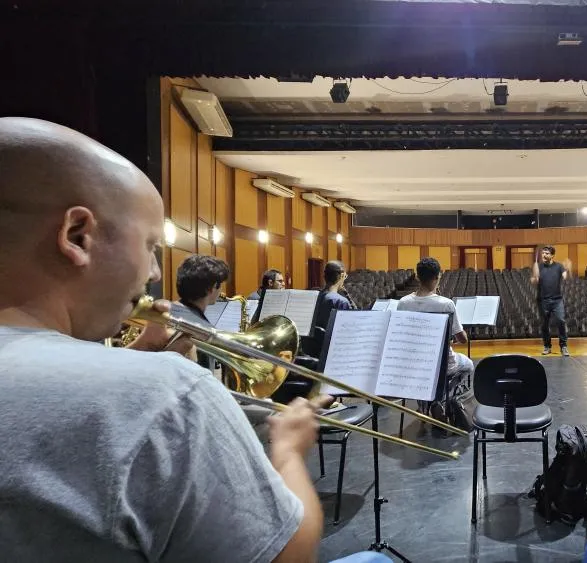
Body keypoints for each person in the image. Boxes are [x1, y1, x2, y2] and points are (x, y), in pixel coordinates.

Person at [0, 117, 390, 562]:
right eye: (149, 246)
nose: (154, 274)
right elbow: (291, 555)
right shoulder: (166, 393)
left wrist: (132, 358)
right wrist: (288, 449)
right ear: (77, 236)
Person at [396, 257, 474, 420]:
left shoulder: (403, 303)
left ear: (417, 277)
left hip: (414, 363)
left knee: (425, 369)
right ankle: (442, 398)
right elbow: (462, 339)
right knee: (468, 365)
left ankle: (425, 402)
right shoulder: (445, 304)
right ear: (438, 276)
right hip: (442, 364)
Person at [530, 245, 569, 356]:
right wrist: (535, 275)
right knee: (544, 325)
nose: (544, 255)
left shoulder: (559, 266)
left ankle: (564, 346)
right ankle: (547, 346)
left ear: (552, 255)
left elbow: (565, 276)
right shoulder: (539, 267)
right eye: (543, 253)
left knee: (561, 321)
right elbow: (534, 281)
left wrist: (567, 269)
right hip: (543, 301)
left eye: (546, 253)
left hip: (557, 300)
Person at [313, 260, 354, 334]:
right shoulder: (341, 302)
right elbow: (347, 331)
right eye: (345, 276)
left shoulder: (314, 297)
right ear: (341, 276)